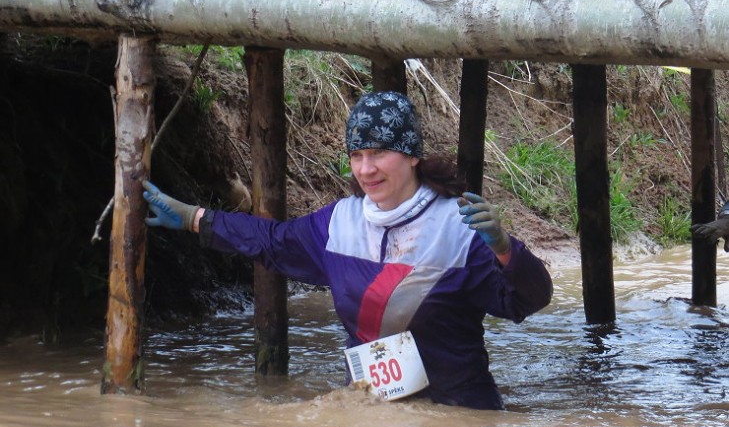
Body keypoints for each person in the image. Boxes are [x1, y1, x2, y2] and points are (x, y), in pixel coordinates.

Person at [143, 90, 553, 410]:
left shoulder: (459, 227)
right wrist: (194, 218)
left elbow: (525, 302)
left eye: (379, 153)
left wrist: (504, 250)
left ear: (411, 155)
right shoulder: (339, 223)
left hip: (458, 418)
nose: (365, 169)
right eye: (356, 155)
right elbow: (272, 241)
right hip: (372, 414)